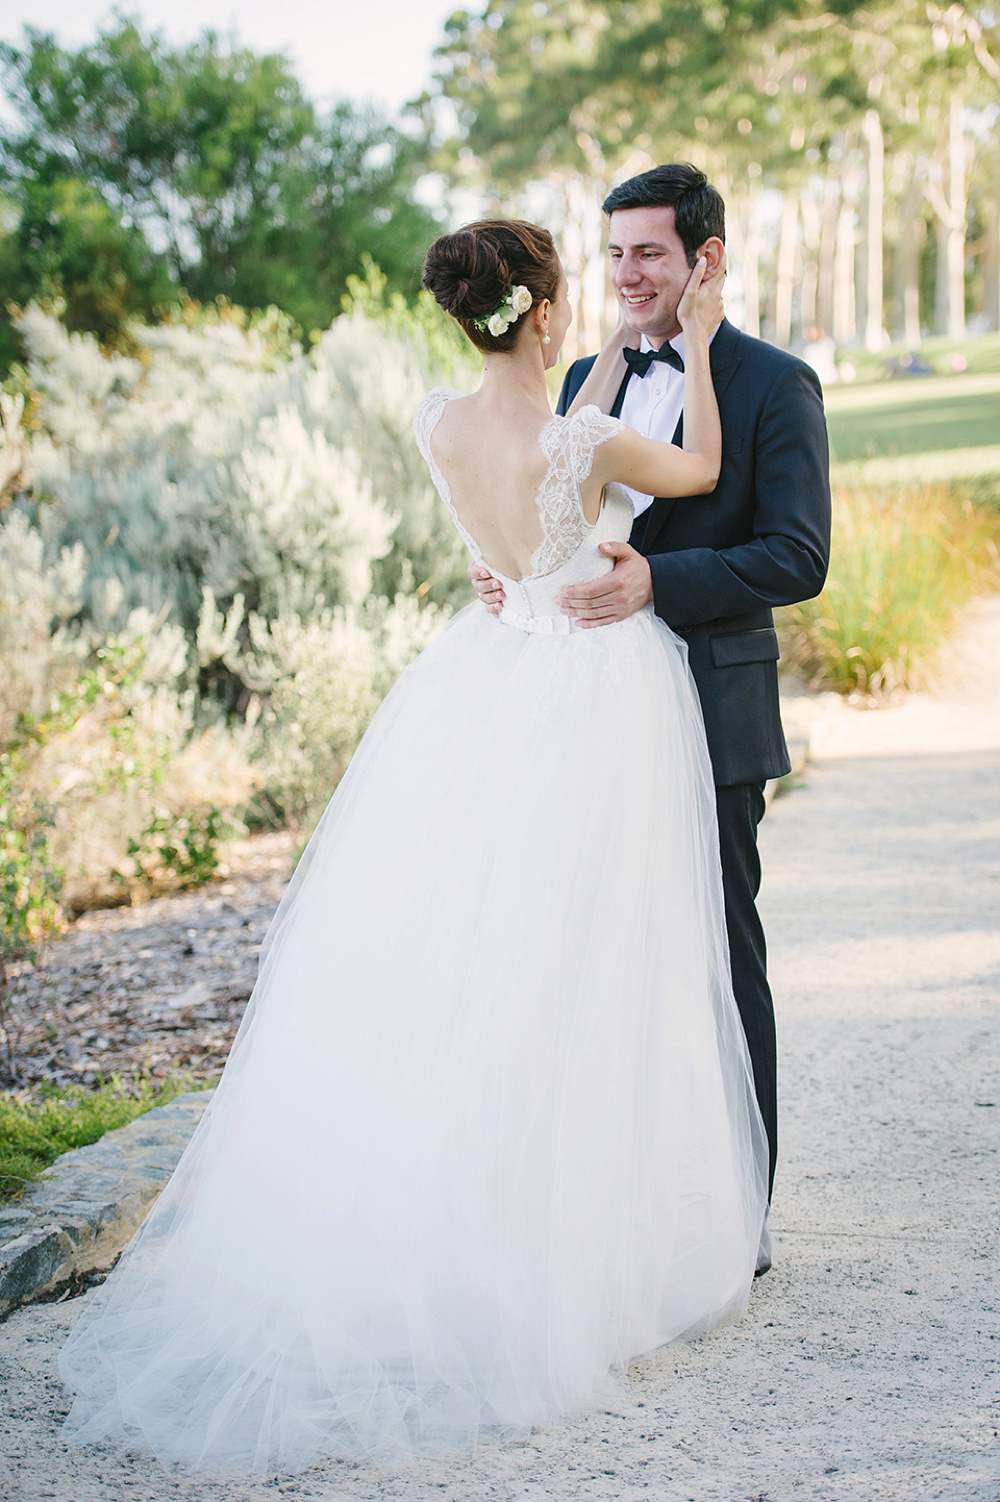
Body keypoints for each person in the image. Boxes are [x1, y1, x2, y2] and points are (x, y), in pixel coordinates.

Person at [59, 219, 768, 1477]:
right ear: (543, 313)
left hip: (490, 668)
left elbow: (550, 461)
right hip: (594, 688)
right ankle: (580, 1248)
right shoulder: (583, 433)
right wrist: (699, 344)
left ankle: (467, 1225)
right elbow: (700, 467)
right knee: (599, 954)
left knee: (471, 955)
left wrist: (593, 364)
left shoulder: (445, 423)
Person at [471, 167, 832, 1223]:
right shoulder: (583, 372)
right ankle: (623, 1207)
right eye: (616, 253)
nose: (628, 273)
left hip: (709, 717)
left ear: (704, 260)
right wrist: (508, 572)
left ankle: (741, 1211)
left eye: (650, 253)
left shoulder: (775, 383)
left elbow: (796, 555)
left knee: (720, 954)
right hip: (583, 720)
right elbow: (539, 513)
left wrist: (654, 580)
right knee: (597, 955)